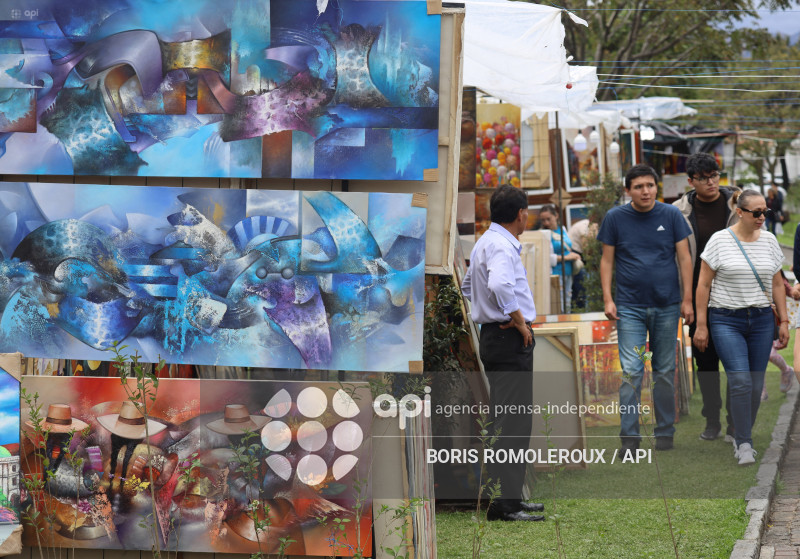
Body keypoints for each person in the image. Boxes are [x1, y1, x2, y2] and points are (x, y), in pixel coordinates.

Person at [598, 164, 694, 456]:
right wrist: (608, 299)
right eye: (638, 186)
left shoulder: (671, 215)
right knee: (631, 371)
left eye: (650, 185)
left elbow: (685, 258)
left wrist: (687, 299)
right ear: (628, 190)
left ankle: (664, 432)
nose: (645, 191)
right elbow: (606, 261)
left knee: (664, 371)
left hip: (667, 305)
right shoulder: (615, 218)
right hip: (629, 307)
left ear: (656, 187)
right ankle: (630, 438)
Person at [461, 185, 543, 522]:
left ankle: (509, 498)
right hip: (509, 338)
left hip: (496, 335)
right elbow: (497, 285)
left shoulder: (486, 241)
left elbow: (468, 286)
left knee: (508, 420)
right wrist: (518, 320)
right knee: (513, 422)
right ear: (521, 214)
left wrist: (491, 313)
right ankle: (505, 504)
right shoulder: (501, 245)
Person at [694, 189, 789, 466]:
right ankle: (744, 443)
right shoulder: (719, 241)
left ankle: (740, 432)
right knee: (740, 380)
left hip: (761, 320)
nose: (762, 217)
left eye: (765, 212)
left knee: (756, 384)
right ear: (739, 212)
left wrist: (784, 321)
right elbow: (703, 284)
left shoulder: (769, 240)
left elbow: (776, 284)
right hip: (726, 319)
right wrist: (702, 324)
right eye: (756, 212)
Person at [673, 152, 738, 442]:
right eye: (703, 178)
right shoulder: (679, 211)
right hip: (699, 296)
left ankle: (735, 421)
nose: (711, 182)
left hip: (735, 294)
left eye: (714, 176)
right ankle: (712, 420)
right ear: (691, 181)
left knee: (736, 363)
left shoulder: (738, 204)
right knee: (706, 362)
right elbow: (677, 258)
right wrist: (685, 299)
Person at [539, 205, 581, 313]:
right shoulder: (543, 234)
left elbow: (567, 247)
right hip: (555, 273)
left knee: (568, 300)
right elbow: (546, 257)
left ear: (556, 216)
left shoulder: (562, 229)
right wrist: (566, 257)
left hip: (568, 271)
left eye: (548, 219)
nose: (546, 223)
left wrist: (573, 255)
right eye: (543, 220)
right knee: (559, 302)